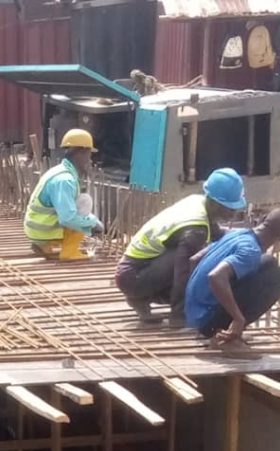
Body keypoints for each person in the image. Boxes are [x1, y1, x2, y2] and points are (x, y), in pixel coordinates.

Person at [115, 169, 246, 325]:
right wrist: (180, 314)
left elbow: (216, 232)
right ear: (213, 202)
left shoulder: (198, 202)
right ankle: (153, 301)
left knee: (200, 255)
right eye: (230, 208)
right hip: (133, 276)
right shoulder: (196, 229)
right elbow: (183, 273)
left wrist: (243, 235)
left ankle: (141, 298)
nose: (234, 213)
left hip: (135, 271)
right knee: (197, 264)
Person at [184, 207, 280, 353]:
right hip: (208, 321)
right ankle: (226, 337)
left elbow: (194, 260)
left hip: (195, 314)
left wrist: (198, 298)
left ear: (263, 220)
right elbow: (216, 277)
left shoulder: (237, 234)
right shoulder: (250, 250)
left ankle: (224, 326)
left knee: (269, 262)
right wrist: (238, 318)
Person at [24, 129, 103, 261]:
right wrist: (93, 223)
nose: (89, 160)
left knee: (80, 203)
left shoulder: (59, 171)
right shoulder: (65, 180)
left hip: (37, 228)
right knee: (84, 202)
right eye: (89, 155)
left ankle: (45, 246)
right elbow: (67, 218)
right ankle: (69, 252)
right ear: (81, 153)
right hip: (43, 229)